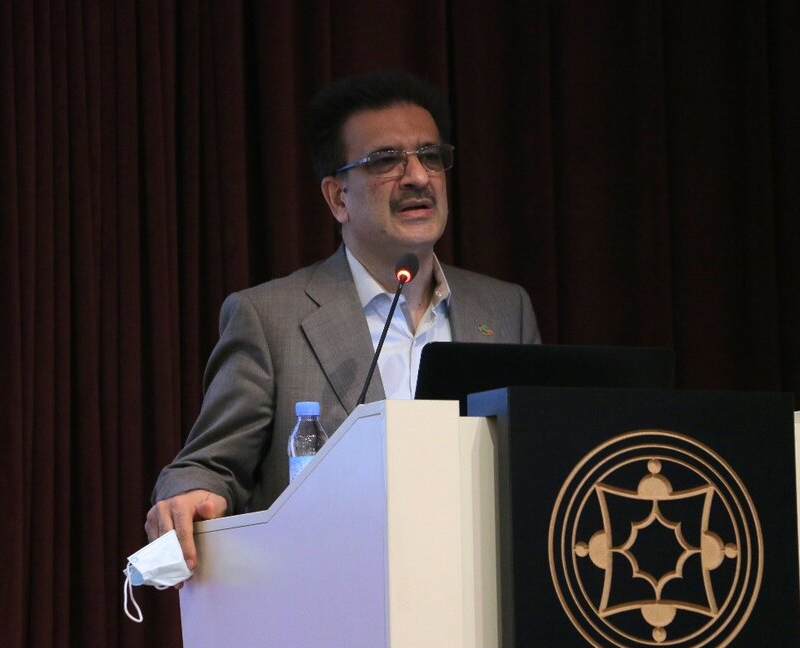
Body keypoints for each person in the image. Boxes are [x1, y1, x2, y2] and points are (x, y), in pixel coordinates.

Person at [144, 71, 540, 572]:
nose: (418, 177)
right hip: (337, 588)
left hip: (482, 587)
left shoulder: (504, 309)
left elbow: (538, 458)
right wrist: (188, 495)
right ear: (337, 198)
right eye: (386, 160)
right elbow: (208, 466)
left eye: (430, 156)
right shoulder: (270, 319)